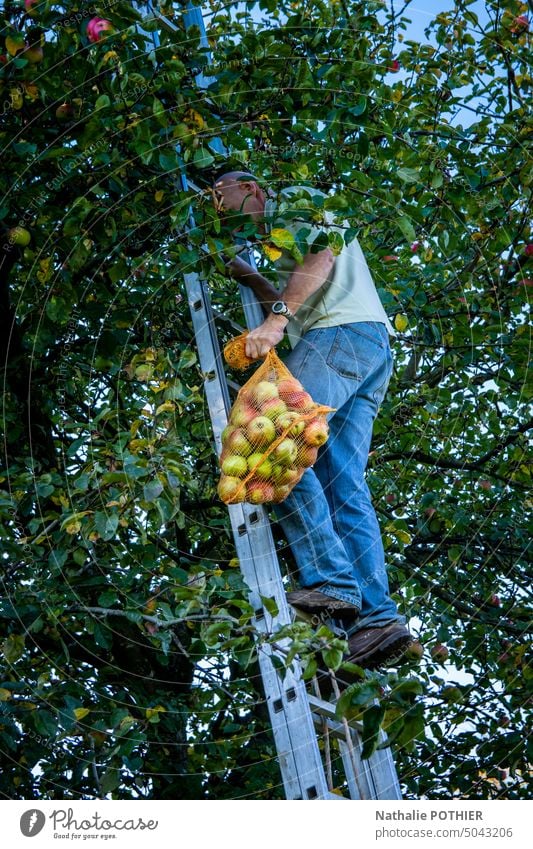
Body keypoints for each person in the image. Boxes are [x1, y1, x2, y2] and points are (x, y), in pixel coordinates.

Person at [212, 171, 412, 669]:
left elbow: (321, 258)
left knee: (269, 443)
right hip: (364, 347)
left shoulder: (296, 204)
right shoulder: (282, 247)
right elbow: (301, 285)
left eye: (220, 194)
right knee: (341, 483)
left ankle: (332, 581)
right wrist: (254, 280)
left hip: (339, 338)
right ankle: (376, 621)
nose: (215, 206)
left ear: (253, 188)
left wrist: (275, 321)